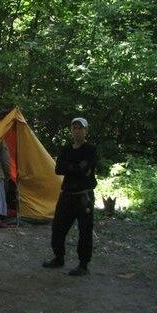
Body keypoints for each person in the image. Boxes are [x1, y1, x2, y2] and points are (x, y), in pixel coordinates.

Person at [43, 117, 97, 276]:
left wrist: (71, 167)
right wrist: (76, 167)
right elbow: (58, 169)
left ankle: (83, 265)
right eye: (75, 128)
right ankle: (58, 257)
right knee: (58, 227)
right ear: (71, 130)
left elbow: (86, 168)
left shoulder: (90, 149)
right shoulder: (66, 149)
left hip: (84, 196)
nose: (77, 131)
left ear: (86, 131)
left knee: (85, 230)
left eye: (80, 128)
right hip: (67, 194)